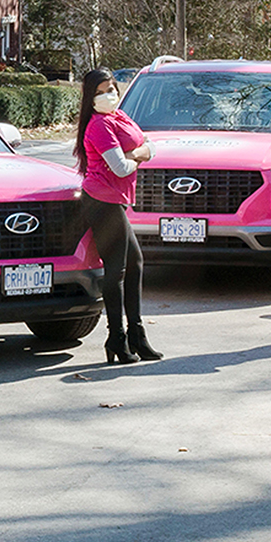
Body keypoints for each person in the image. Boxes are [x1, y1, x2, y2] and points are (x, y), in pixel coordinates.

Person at [73, 69, 160, 364]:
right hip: (101, 201)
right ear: (90, 97)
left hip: (117, 200)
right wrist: (140, 153)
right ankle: (116, 338)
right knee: (117, 270)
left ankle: (137, 334)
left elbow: (149, 144)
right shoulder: (97, 126)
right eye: (101, 91)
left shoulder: (119, 117)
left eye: (112, 88)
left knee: (134, 263)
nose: (109, 94)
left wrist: (139, 151)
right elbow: (122, 166)